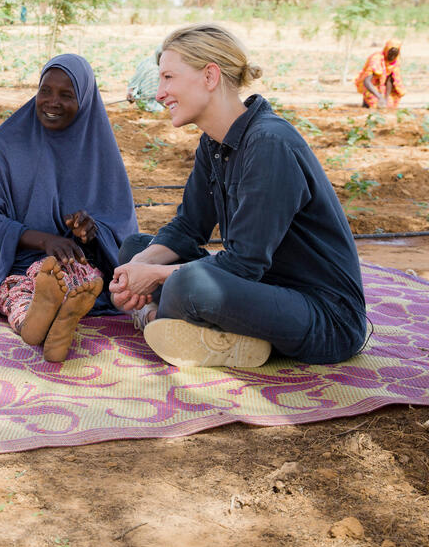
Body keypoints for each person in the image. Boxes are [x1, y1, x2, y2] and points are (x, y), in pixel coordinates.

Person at [110, 23, 367, 368]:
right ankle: (204, 331)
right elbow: (189, 228)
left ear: (210, 76)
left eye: (168, 77)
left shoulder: (269, 143)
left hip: (324, 317)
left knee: (184, 285)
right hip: (261, 292)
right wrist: (139, 266)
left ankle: (166, 319)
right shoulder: (213, 143)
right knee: (135, 249)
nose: (159, 93)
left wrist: (155, 277)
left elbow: (244, 263)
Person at [0, 53, 139, 362]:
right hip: (12, 264)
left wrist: (91, 231)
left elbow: (121, 224)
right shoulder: (3, 145)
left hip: (71, 264)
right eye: (45, 90)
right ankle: (35, 322)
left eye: (66, 95)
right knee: (14, 290)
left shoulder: (99, 152)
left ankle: (56, 316)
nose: (51, 101)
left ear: (84, 100)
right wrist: (45, 240)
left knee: (80, 280)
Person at [355, 39, 405, 109]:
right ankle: (366, 103)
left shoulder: (395, 61)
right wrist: (379, 97)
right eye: (390, 54)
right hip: (370, 87)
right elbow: (367, 82)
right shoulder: (376, 59)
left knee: (390, 104)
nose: (392, 57)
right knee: (375, 104)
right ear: (386, 50)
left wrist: (386, 98)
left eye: (395, 55)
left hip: (382, 87)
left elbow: (389, 81)